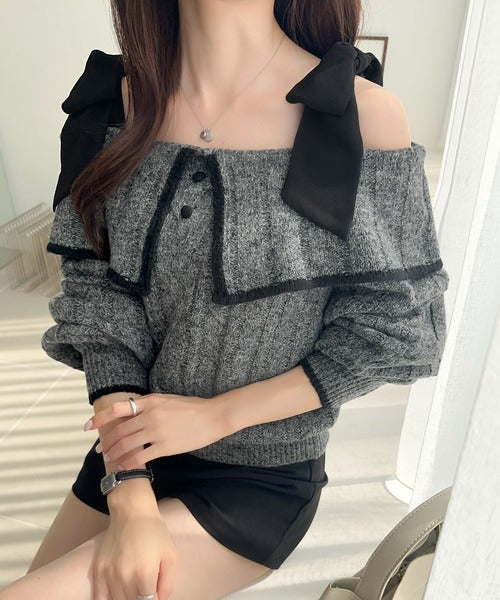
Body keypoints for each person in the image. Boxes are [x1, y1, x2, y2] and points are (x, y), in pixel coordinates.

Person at [1, 0, 449, 599]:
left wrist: (216, 416)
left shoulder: (358, 115)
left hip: (260, 477)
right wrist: (130, 486)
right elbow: (99, 307)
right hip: (133, 448)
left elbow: (395, 331)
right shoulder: (112, 107)